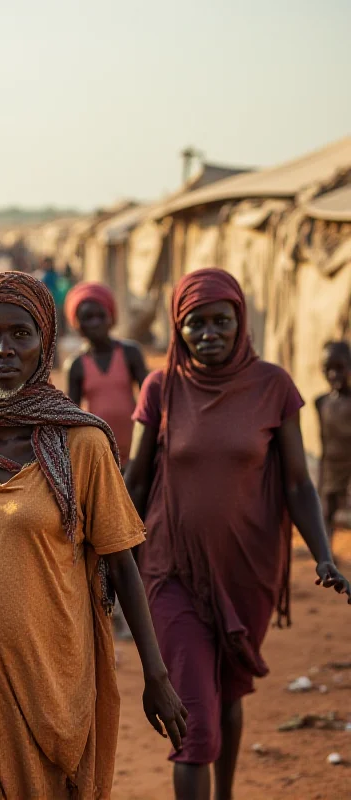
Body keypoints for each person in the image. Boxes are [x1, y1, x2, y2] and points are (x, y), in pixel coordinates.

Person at [0, 272, 187, 799]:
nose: (3, 348)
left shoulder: (82, 443)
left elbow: (121, 565)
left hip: (52, 690)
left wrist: (155, 674)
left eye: (20, 334)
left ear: (44, 342)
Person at [125, 268, 351, 800]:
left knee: (227, 695)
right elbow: (134, 480)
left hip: (248, 571)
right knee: (195, 721)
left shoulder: (274, 386)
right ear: (177, 328)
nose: (208, 333)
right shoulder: (162, 387)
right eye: (194, 323)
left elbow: (298, 484)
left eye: (220, 321)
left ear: (240, 320)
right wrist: (112, 563)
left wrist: (322, 555)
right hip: (171, 571)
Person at [65, 282, 148, 468]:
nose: (95, 323)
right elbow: (72, 416)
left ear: (111, 318)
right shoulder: (76, 365)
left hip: (135, 447)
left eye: (100, 316)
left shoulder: (130, 353)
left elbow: (149, 399)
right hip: (98, 452)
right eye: (87, 317)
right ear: (77, 323)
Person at [316, 340, 351, 548]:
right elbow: (323, 441)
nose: (333, 375)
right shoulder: (321, 402)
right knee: (326, 513)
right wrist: (322, 474)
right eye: (328, 369)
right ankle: (326, 554)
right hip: (330, 467)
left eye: (340, 368)